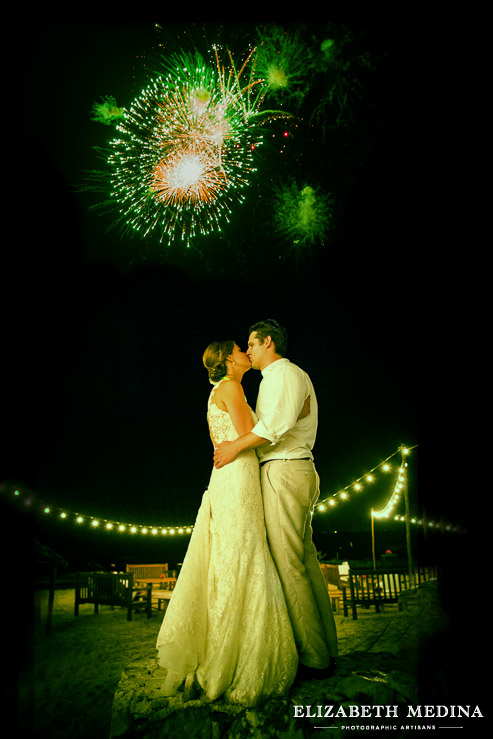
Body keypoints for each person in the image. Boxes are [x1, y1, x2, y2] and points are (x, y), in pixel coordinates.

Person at [156, 339, 298, 705]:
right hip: (238, 479)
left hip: (229, 477)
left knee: (231, 557)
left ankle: (222, 645)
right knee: (243, 555)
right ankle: (235, 657)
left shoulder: (218, 391)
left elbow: (227, 438)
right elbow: (253, 434)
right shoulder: (232, 387)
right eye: (240, 349)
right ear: (226, 358)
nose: (245, 353)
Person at [213, 319, 338, 680]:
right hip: (296, 469)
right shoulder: (284, 377)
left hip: (285, 470)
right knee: (305, 561)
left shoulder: (282, 375)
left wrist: (235, 445)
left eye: (251, 344)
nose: (247, 350)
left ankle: (313, 658)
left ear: (268, 342)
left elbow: (274, 427)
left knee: (288, 564)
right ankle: (326, 648)